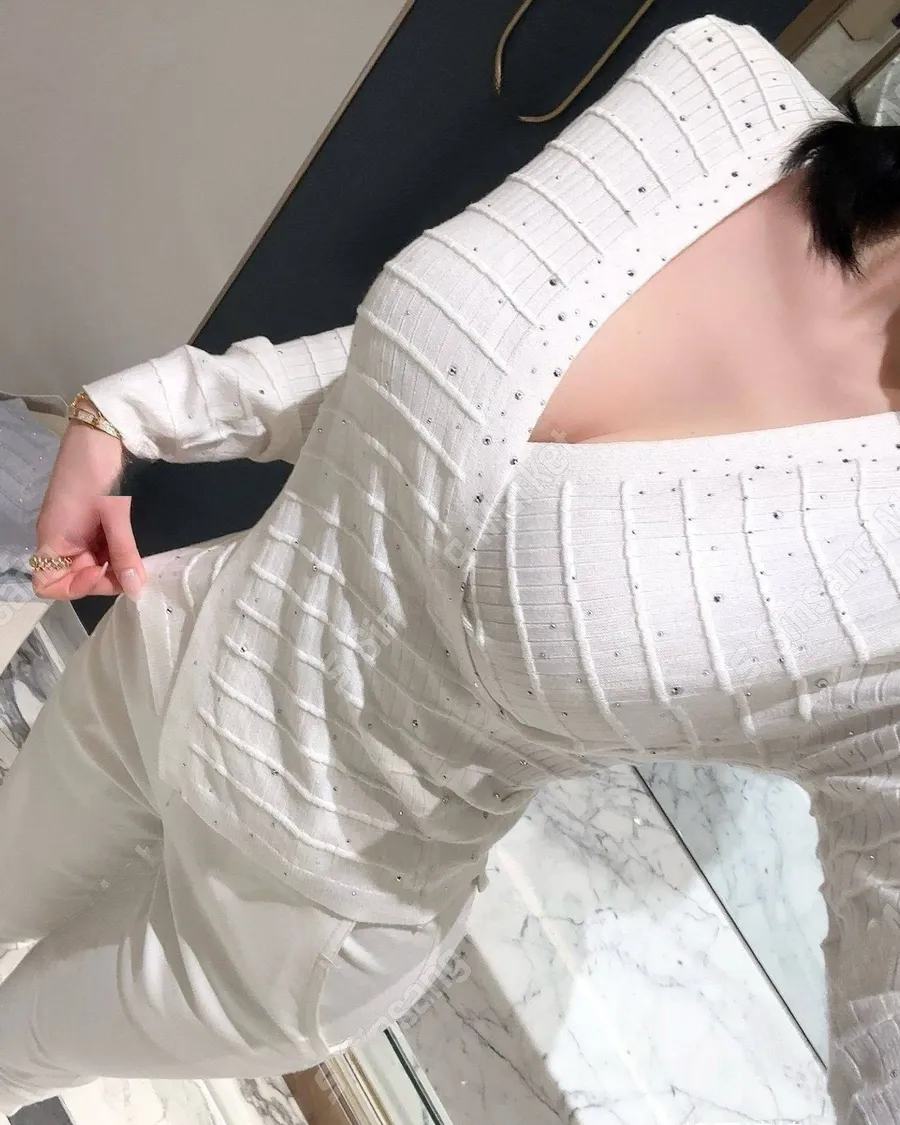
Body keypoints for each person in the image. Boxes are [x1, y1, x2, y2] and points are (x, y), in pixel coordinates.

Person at [1, 12, 899, 1123]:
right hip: (160, 655)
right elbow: (423, 375)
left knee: (9, 1055)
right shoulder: (712, 89)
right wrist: (132, 412)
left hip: (294, 917)